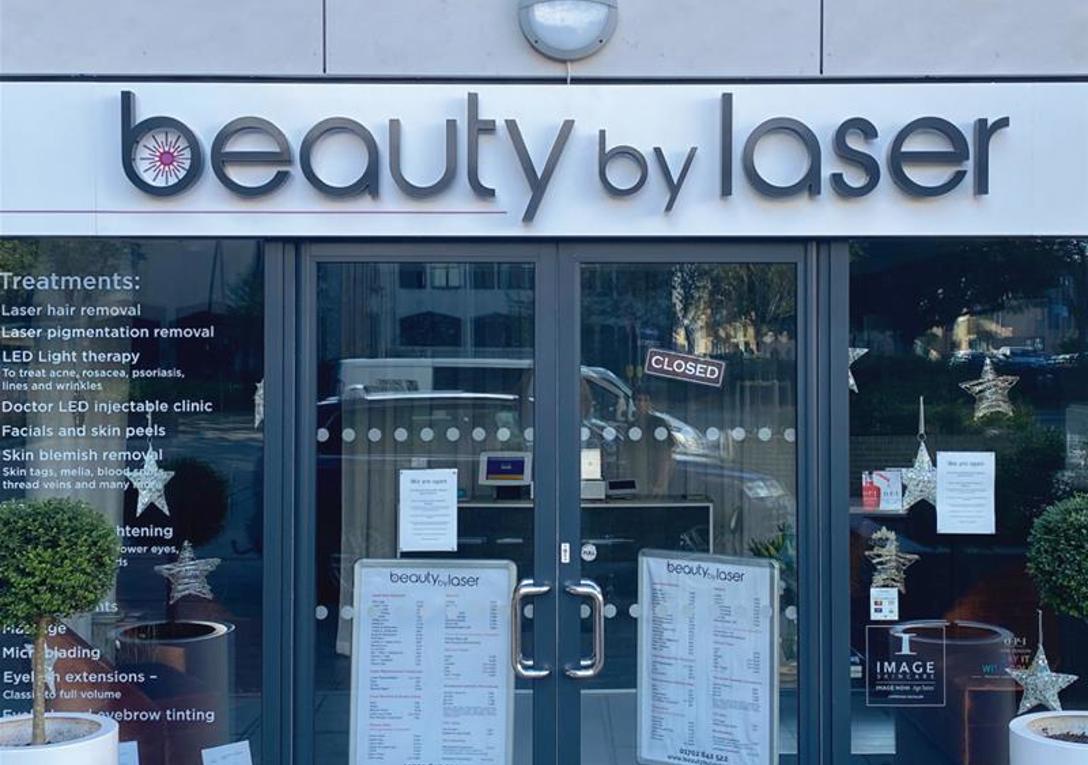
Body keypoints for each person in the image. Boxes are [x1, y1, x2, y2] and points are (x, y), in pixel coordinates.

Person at [622, 387, 675, 497]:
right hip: (638, 482)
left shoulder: (659, 424)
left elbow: (666, 457)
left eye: (645, 400)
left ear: (650, 403)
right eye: (639, 400)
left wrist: (660, 485)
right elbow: (628, 458)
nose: (642, 404)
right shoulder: (631, 427)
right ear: (634, 403)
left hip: (656, 482)